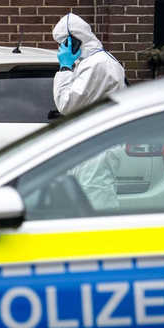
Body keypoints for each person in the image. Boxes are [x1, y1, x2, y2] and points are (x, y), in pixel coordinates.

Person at [51, 13, 127, 211]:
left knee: (97, 207)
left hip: (97, 148)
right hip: (93, 145)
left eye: (62, 43)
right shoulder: (93, 62)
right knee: (86, 206)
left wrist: (65, 67)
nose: (60, 48)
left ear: (74, 41)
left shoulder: (97, 65)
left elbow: (67, 103)